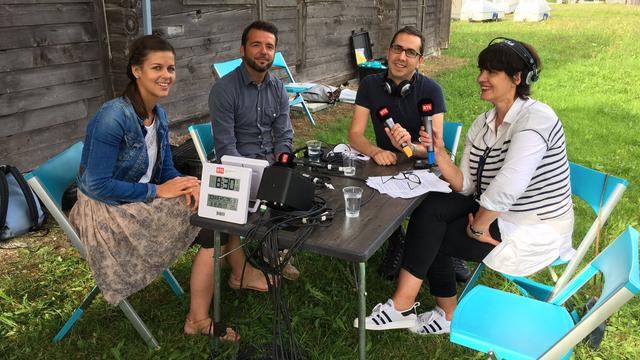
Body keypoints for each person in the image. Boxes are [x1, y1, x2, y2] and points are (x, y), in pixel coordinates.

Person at [356, 37, 574, 335]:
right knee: (431, 205)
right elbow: (467, 184)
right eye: (481, 70)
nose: (480, 78)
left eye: (491, 72)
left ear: (517, 78)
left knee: (437, 235)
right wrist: (439, 152)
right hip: (495, 211)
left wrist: (477, 227)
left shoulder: (537, 118)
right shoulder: (483, 123)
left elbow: (510, 183)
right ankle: (404, 307)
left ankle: (444, 313)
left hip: (530, 227)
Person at [71, 35, 238, 340]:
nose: (166, 76)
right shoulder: (113, 117)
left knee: (216, 201)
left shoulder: (157, 113)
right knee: (213, 222)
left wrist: (185, 184)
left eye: (171, 68)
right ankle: (198, 320)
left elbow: (164, 170)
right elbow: (97, 185)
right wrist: (157, 192)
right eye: (156, 68)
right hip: (105, 211)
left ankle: (236, 277)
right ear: (136, 70)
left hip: (133, 199)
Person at [348, 26, 470, 282]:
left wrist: (412, 147)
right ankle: (397, 242)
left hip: (425, 164)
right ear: (389, 51)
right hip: (386, 164)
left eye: (411, 52)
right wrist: (376, 150)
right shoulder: (370, 85)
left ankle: (446, 247)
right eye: (398, 49)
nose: (402, 57)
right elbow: (355, 135)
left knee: (437, 204)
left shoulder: (432, 90)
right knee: (368, 194)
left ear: (420, 60)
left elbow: (436, 148)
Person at [207, 21, 299, 281]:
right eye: (256, 45)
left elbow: (284, 133)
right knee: (273, 192)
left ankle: (278, 247)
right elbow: (226, 147)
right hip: (239, 168)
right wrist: (255, 174)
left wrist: (282, 161)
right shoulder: (224, 90)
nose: (263, 51)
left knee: (306, 192)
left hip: (270, 164)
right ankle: (270, 251)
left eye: (269, 47)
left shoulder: (278, 88)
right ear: (242, 49)